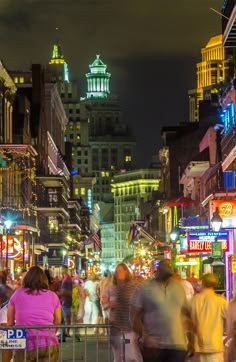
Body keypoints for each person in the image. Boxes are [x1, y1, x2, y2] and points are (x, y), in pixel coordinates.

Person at [131, 259, 192, 362]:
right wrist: (144, 336)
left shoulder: (178, 287)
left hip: (177, 345)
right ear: (158, 271)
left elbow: (186, 313)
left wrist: (190, 337)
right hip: (155, 346)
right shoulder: (144, 288)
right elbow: (134, 315)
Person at [7, 265, 61, 362]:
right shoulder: (53, 296)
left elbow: (10, 322)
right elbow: (58, 320)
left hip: (24, 342)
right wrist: (51, 332)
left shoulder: (17, 294)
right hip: (48, 342)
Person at [103, 262, 143, 362]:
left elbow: (140, 304)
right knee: (118, 357)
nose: (117, 273)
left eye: (120, 271)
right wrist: (109, 305)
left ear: (126, 272)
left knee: (131, 356)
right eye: (116, 271)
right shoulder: (110, 288)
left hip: (129, 328)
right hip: (115, 327)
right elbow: (104, 305)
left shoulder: (133, 287)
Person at [190, 273, 227, 362]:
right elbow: (228, 321)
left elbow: (188, 322)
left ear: (202, 283)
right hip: (215, 345)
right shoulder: (221, 301)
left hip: (198, 346)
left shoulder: (194, 300)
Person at [58, 265, 72, 340]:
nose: (61, 271)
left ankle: (65, 332)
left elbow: (65, 291)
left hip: (65, 300)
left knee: (65, 317)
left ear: (66, 270)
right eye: (61, 269)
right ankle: (65, 332)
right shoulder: (66, 278)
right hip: (66, 299)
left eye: (63, 269)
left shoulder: (66, 279)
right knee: (66, 317)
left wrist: (58, 293)